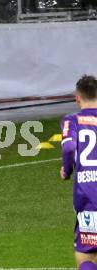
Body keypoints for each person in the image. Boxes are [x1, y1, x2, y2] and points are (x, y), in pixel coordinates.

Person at [60, 75, 97, 270]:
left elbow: (68, 148)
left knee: (86, 260)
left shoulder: (72, 120)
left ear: (77, 97)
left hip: (89, 198)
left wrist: (66, 170)